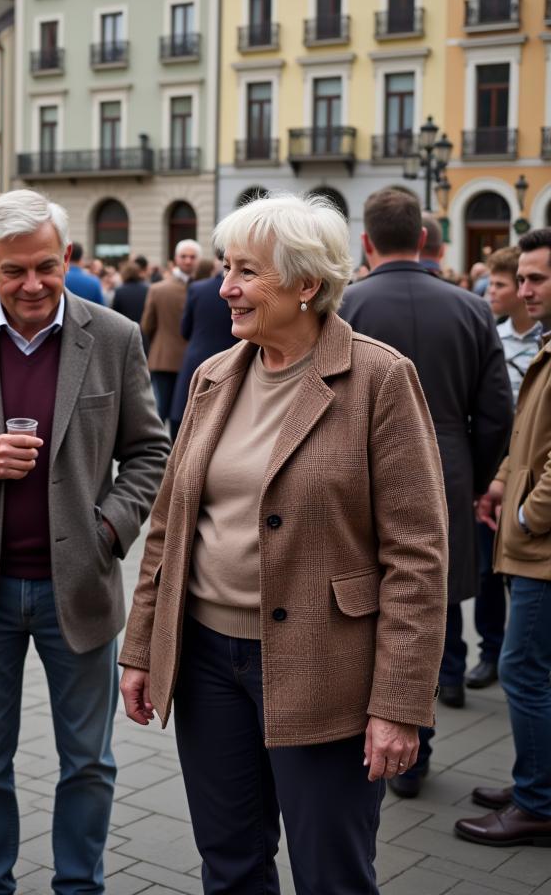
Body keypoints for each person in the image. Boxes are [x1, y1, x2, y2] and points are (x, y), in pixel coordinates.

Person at [120, 192, 448, 895]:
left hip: (329, 667)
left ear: (307, 284)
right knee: (230, 863)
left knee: (332, 873)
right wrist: (143, 648)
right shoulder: (213, 376)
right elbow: (168, 527)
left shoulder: (379, 377)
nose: (225, 288)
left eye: (246, 272)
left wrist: (400, 703)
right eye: (224, 268)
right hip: (208, 663)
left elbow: (417, 557)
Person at [0, 189, 170, 895]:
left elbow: (149, 452)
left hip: (77, 586)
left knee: (89, 762)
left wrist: (109, 527)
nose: (32, 285)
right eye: (14, 271)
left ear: (68, 257)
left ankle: (79, 886)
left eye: (46, 266)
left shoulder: (112, 335)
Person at [340, 187, 512, 797]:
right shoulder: (472, 308)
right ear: (424, 240)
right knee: (431, 595)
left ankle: (390, 746)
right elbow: (496, 412)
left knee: (374, 597)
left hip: (360, 469)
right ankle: (430, 720)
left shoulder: (346, 305)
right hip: (450, 464)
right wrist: (478, 471)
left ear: (365, 242)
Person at [457, 228, 551, 847]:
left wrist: (525, 517)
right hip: (528, 536)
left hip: (543, 548)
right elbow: (527, 441)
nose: (524, 289)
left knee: (522, 668)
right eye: (521, 278)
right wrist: (498, 485)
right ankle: (532, 784)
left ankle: (537, 802)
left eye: (537, 278)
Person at [465, 246, 541, 692]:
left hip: (533, 469)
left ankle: (524, 650)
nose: (490, 293)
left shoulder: (542, 341)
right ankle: (491, 651)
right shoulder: (492, 334)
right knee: (487, 568)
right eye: (490, 283)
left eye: (499, 286)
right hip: (498, 466)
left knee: (527, 572)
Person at [169, 266, 238, 436]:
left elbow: (185, 330)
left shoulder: (197, 289)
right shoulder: (239, 288)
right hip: (233, 359)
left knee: (187, 420)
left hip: (198, 358)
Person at [141, 239, 201, 423]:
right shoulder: (159, 289)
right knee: (164, 411)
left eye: (192, 257)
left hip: (189, 361)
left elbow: (147, 325)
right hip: (167, 360)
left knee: (183, 413)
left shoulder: (202, 289)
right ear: (176, 258)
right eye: (184, 257)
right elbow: (147, 325)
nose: (188, 261)